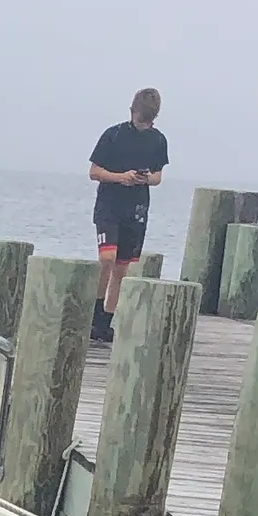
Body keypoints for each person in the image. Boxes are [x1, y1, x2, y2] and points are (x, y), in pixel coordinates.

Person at [89, 88, 168, 343]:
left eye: (148, 121)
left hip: (136, 210)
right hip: (109, 205)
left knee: (122, 269)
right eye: (140, 119)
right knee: (107, 258)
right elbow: (94, 171)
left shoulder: (158, 140)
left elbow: (157, 177)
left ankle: (105, 322)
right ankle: (94, 311)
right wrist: (121, 177)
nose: (143, 124)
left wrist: (144, 178)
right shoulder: (113, 135)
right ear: (132, 112)